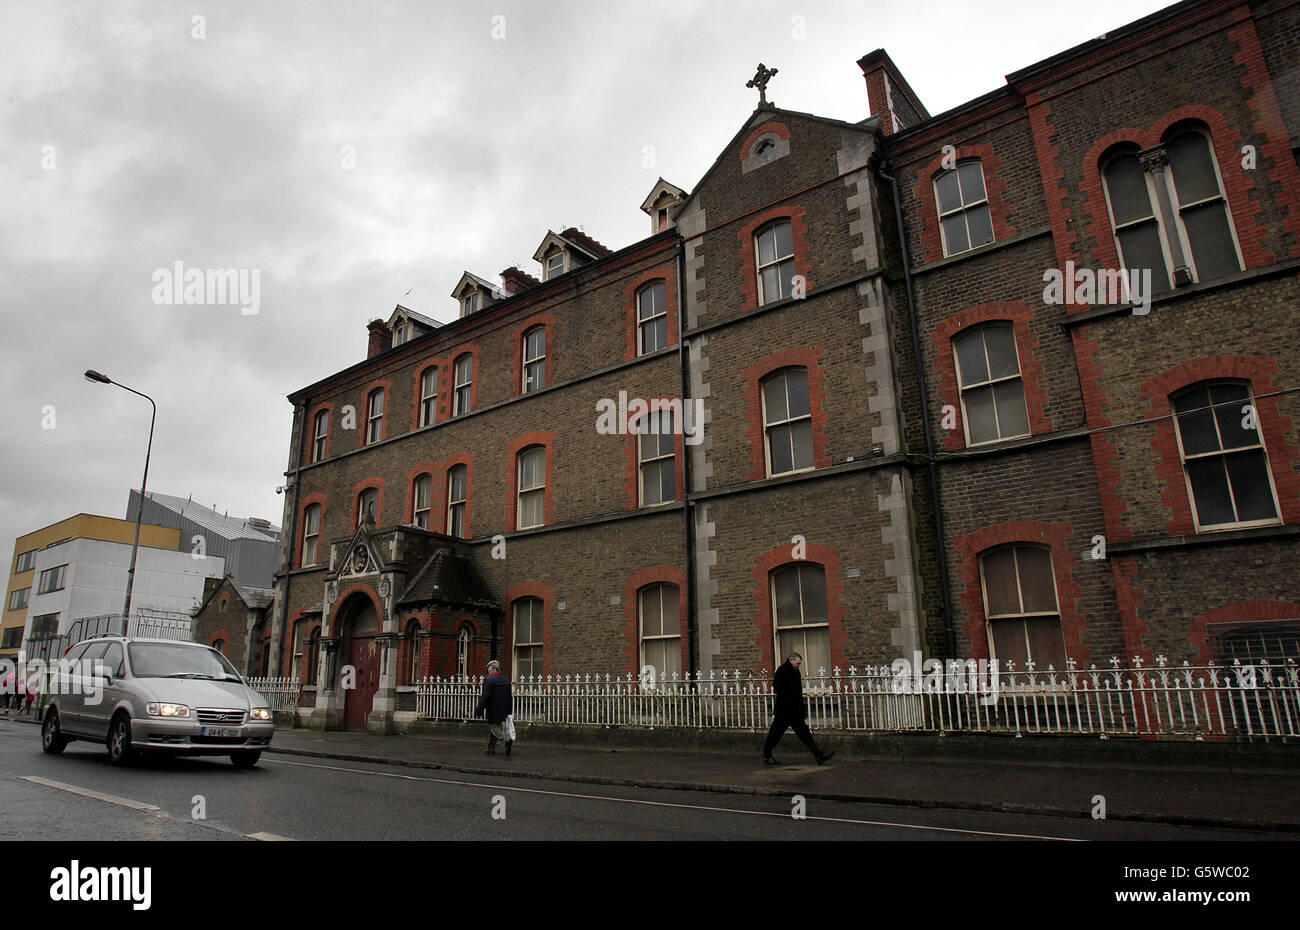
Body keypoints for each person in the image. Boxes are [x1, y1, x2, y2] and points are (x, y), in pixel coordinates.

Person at [763, 652, 834, 765]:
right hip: (784, 710)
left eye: (799, 663)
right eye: (797, 663)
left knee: (804, 733)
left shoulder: (795, 671)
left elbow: (797, 691)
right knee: (775, 734)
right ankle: (766, 755)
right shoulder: (781, 671)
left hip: (794, 710)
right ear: (791, 660)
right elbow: (777, 688)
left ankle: (818, 754)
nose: (798, 665)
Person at [473, 659, 513, 756]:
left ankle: (506, 740)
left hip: (493, 708)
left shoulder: (490, 680)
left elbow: (485, 697)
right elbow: (509, 697)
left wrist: (479, 709)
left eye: (488, 669)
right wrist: (509, 710)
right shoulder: (506, 680)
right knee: (496, 727)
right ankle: (491, 748)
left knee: (493, 727)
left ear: (491, 669)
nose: (488, 671)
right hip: (503, 708)